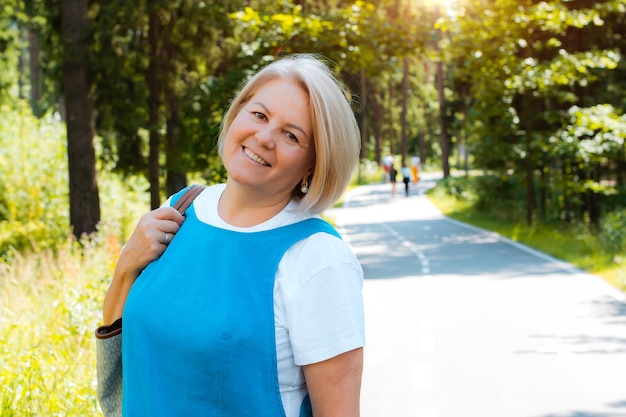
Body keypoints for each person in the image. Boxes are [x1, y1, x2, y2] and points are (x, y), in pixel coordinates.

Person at [95, 54, 365, 417]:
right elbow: (121, 345)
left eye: (290, 135)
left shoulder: (317, 258)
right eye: (259, 114)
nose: (264, 137)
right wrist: (126, 265)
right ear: (237, 113)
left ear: (313, 165)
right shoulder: (181, 208)